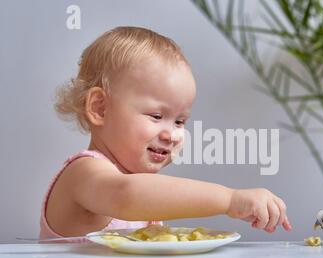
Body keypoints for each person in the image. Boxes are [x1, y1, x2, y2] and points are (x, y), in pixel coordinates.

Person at [40, 26, 291, 242]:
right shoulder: (83, 173)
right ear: (100, 108)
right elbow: (125, 196)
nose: (171, 135)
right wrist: (229, 199)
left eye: (180, 121)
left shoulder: (145, 197)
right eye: (157, 116)